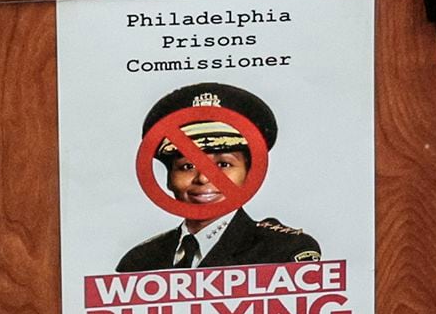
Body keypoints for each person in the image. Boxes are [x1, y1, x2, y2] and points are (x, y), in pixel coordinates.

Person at [117, 82, 322, 271]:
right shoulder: (140, 261)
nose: (203, 179)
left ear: (249, 174)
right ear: (169, 178)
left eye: (224, 164)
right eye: (187, 166)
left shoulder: (283, 251)